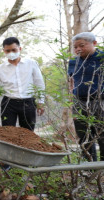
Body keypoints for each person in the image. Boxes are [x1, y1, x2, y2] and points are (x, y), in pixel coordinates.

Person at [68, 32, 104, 161]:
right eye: (75, 47)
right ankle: (89, 168)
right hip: (79, 103)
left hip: (100, 102)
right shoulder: (73, 62)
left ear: (94, 43)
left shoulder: (102, 58)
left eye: (82, 45)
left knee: (102, 135)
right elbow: (71, 81)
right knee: (83, 136)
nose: (78, 49)